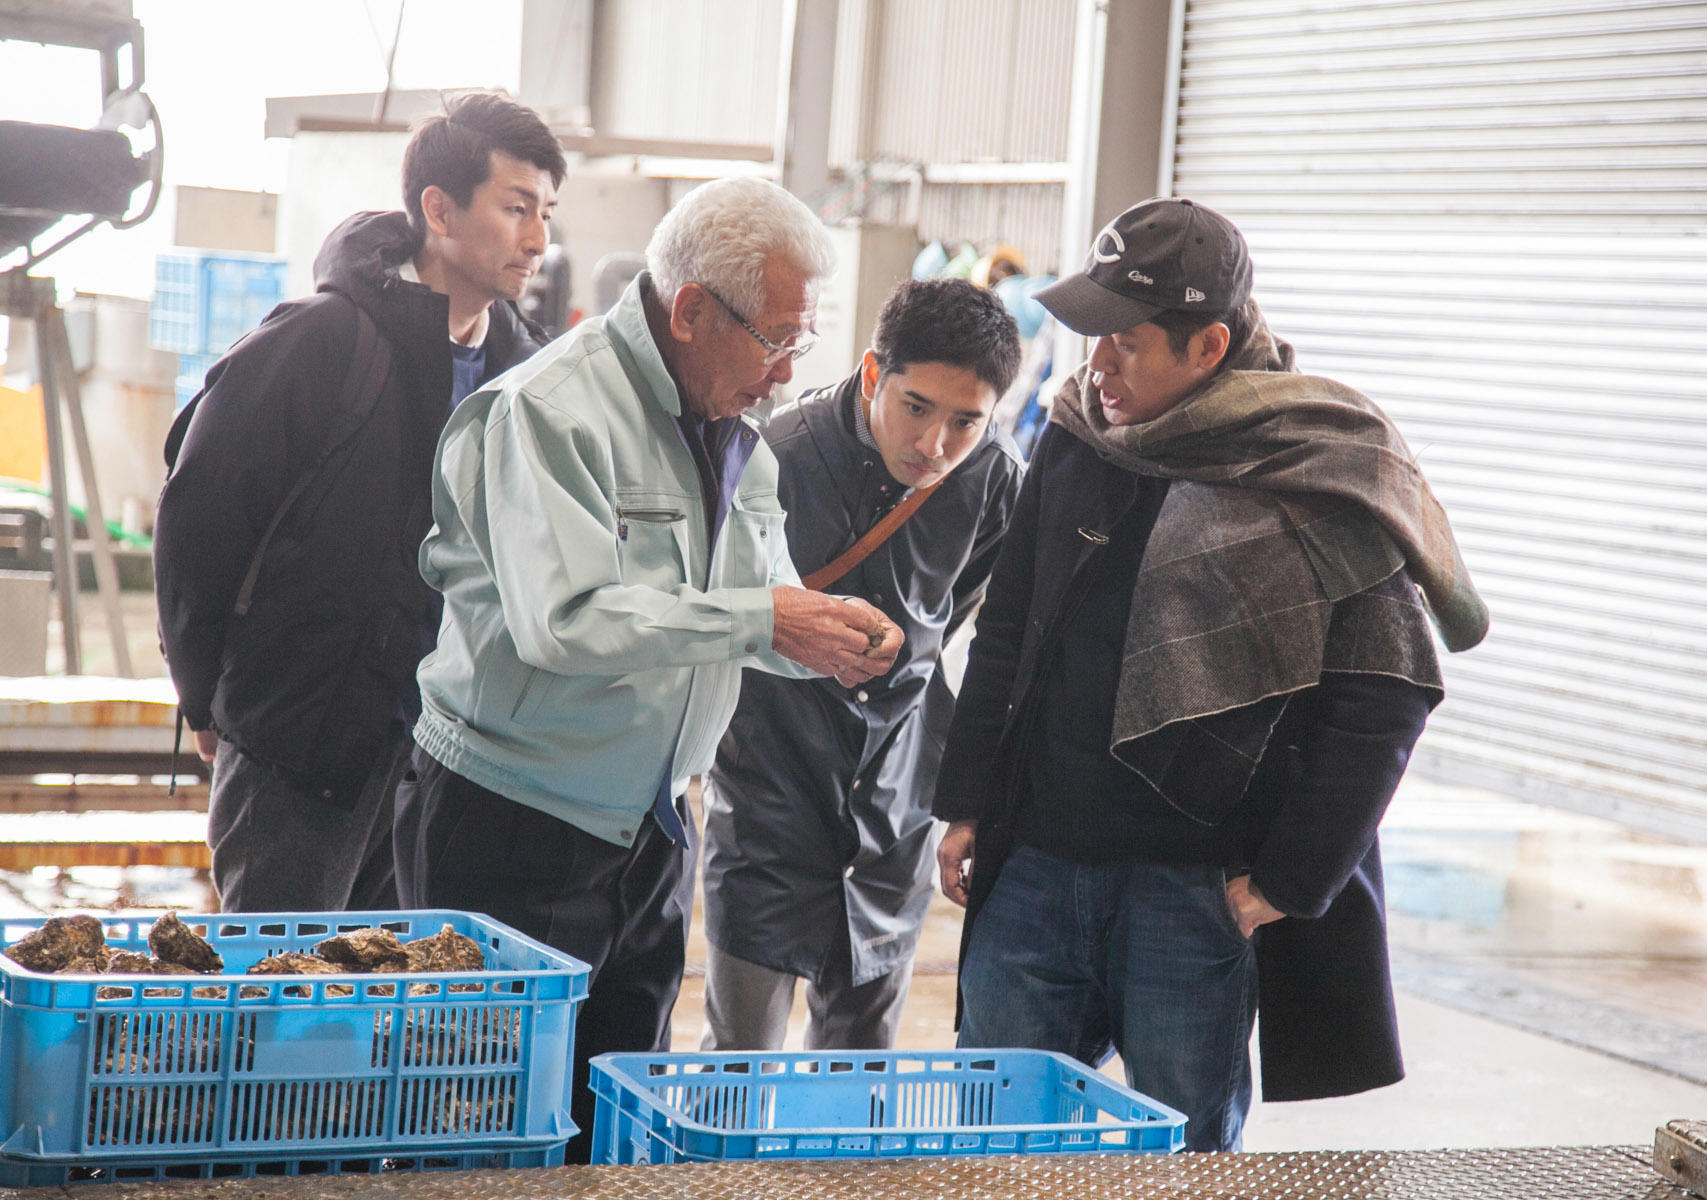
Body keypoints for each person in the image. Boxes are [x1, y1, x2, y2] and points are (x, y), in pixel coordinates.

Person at [932, 198, 1489, 1151]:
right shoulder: (1075, 434)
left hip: (1190, 894)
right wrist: (971, 799)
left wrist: (1281, 884)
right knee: (994, 1140)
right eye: (1090, 338)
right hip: (1037, 865)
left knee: (1184, 1157)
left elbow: (1385, 697)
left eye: (1125, 343)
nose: (1093, 366)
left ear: (1209, 347)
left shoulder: (1317, 462)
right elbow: (1010, 630)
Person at [392, 176, 904, 1161]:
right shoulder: (552, 412)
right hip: (513, 826)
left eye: (803, 343)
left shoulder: (730, 436)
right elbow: (566, 622)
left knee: (611, 1126)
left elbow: (753, 604)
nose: (788, 373)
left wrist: (826, 640)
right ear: (693, 310)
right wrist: (765, 615)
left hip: (650, 832)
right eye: (779, 340)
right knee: (481, 1127)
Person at [155, 93, 566, 913]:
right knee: (278, 999)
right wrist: (204, 696)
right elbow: (200, 517)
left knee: (385, 1013)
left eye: (547, 212)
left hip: (447, 756)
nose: (538, 239)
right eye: (517, 207)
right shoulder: (319, 341)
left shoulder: (529, 375)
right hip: (303, 743)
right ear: (438, 209)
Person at [701, 279, 1024, 1052]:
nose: (935, 445)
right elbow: (709, 611)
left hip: (892, 806)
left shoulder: (993, 479)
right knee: (736, 1066)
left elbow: (967, 628)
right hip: (766, 798)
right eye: (916, 407)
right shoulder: (773, 456)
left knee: (862, 1073)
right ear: (875, 375)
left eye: (965, 422)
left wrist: (962, 796)